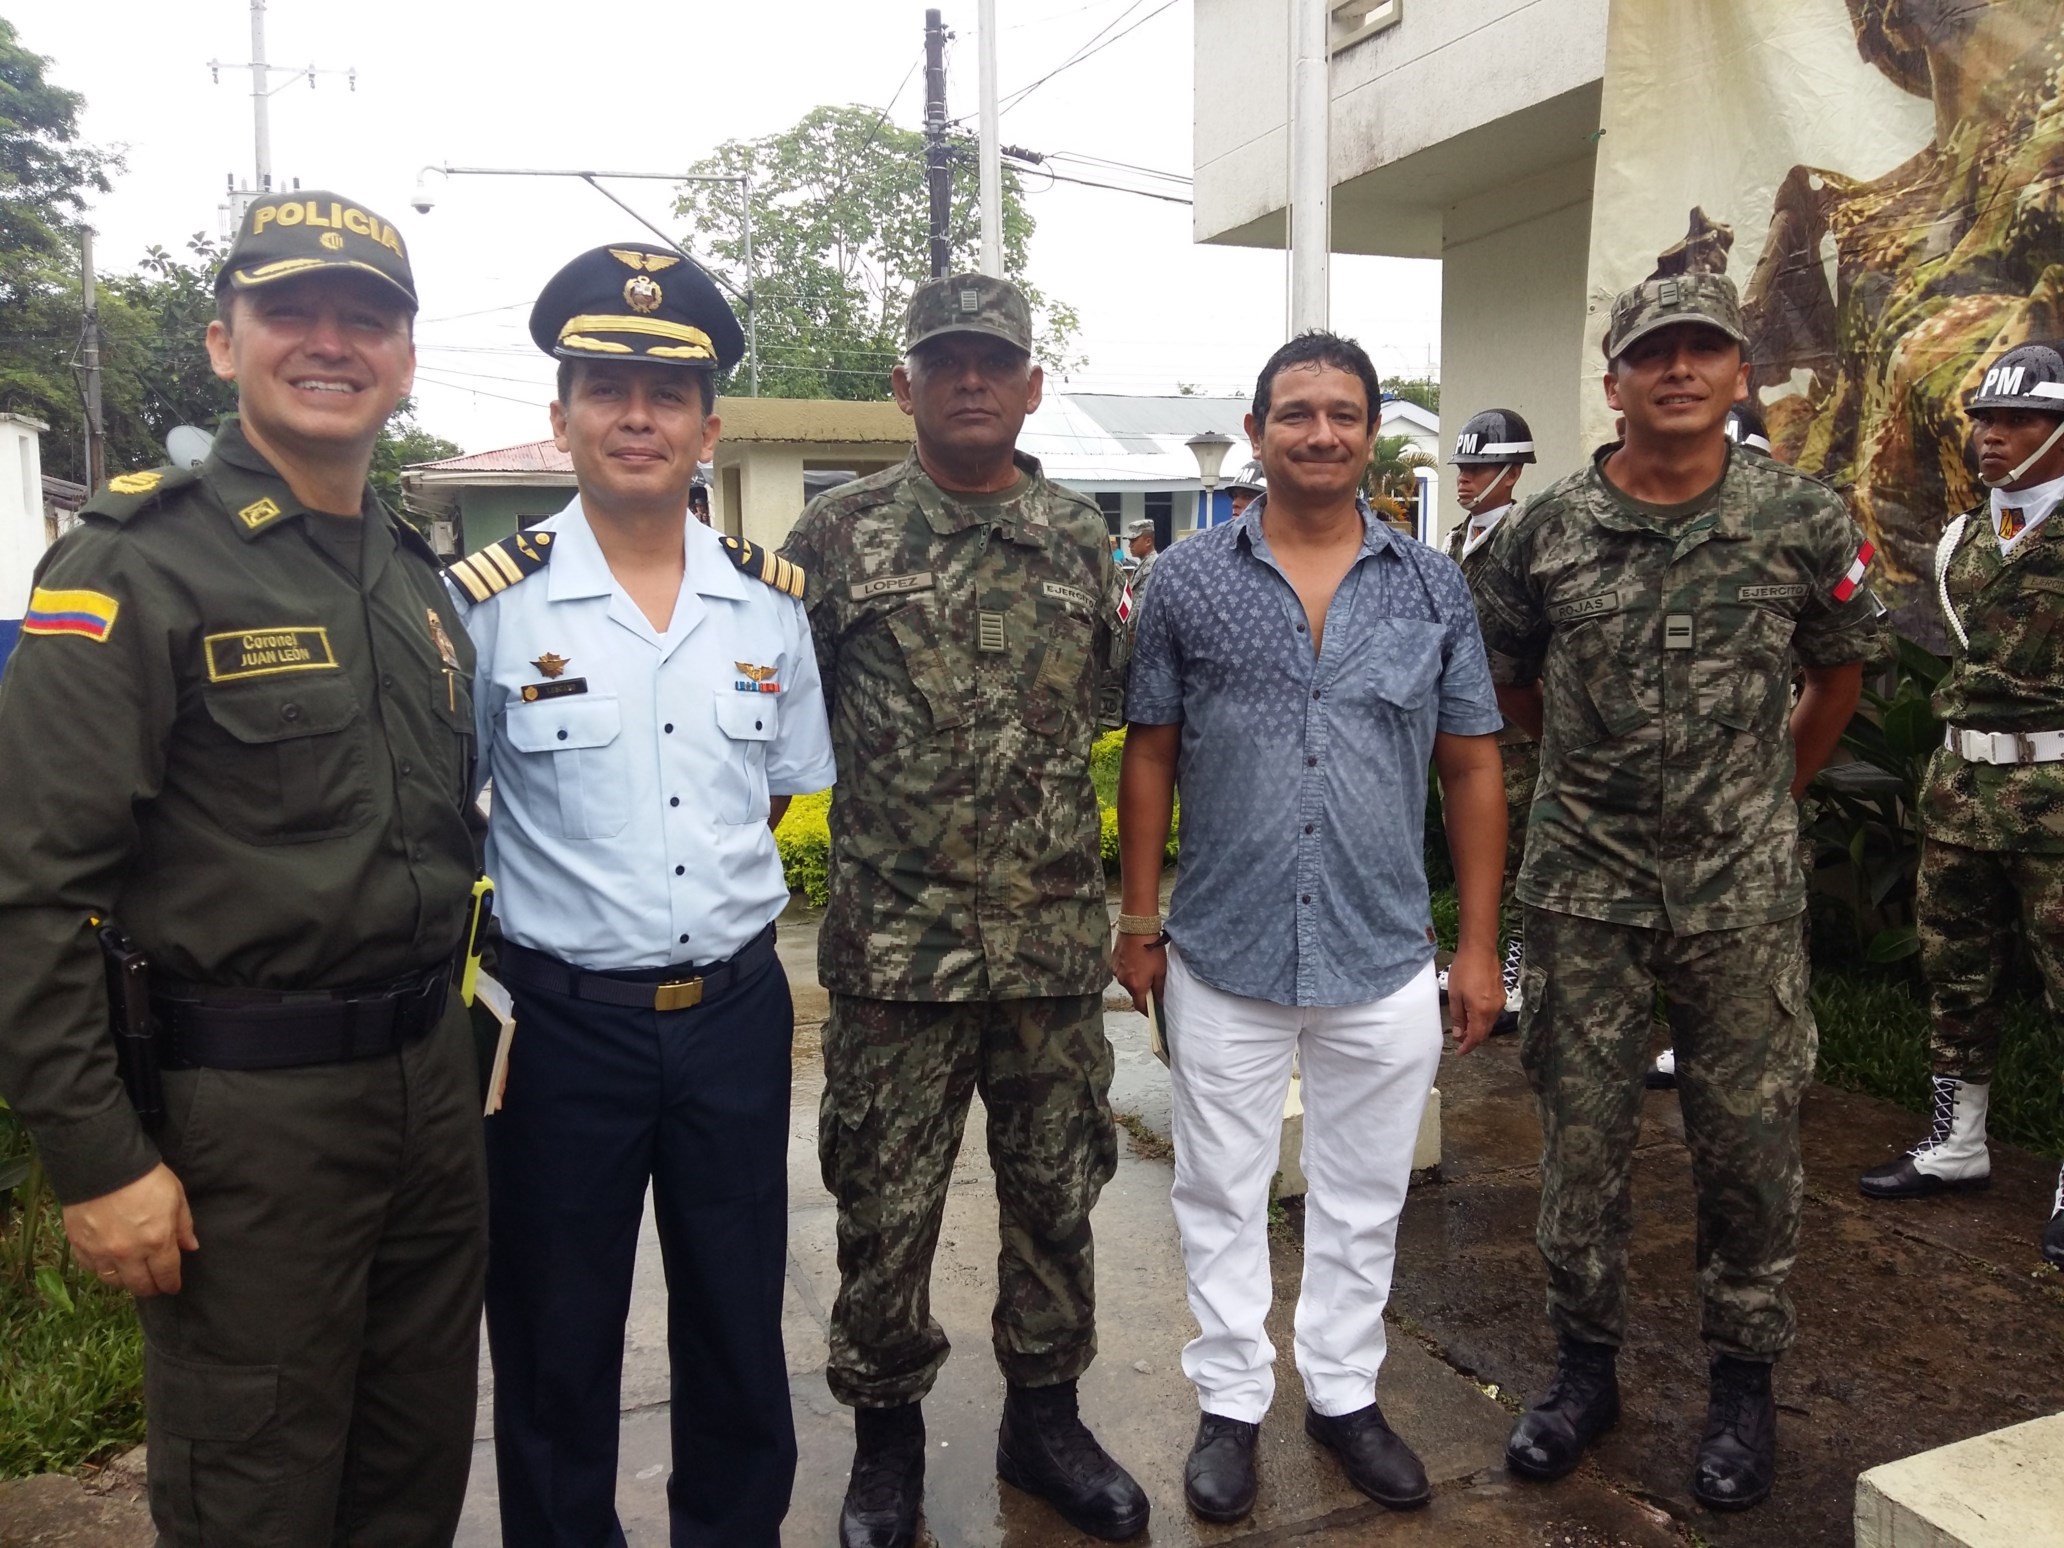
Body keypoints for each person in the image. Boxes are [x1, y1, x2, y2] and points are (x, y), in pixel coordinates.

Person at [0, 191, 487, 1546]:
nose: (330, 342)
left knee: (411, 1477)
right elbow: (31, 890)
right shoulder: (135, 564)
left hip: (427, 1098)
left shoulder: (415, 577)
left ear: (405, 357)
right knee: (255, 1491)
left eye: (365, 318)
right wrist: (97, 1160)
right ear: (224, 342)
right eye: (291, 312)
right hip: (248, 1126)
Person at [447, 243, 835, 1548]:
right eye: (605, 388)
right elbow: (451, 805)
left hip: (732, 1016)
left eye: (667, 394)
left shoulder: (768, 608)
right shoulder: (490, 610)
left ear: (708, 428)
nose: (636, 417)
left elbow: (768, 796)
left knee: (737, 1318)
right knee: (555, 1337)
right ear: (561, 417)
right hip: (560, 1029)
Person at [1472, 273, 1879, 1513]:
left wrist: (1765, 792)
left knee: (1748, 1146)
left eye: (1706, 350)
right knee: (1581, 1145)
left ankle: (1743, 1386)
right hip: (1584, 892)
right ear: (1616, 384)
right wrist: (1594, 784)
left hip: (1738, 898)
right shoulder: (1545, 532)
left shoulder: (1802, 519)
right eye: (1656, 353)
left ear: (1739, 374)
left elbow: (1839, 673)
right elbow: (1510, 686)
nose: (1682, 369)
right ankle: (1582, 1371)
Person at [1111, 332, 1509, 1525]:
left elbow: (1472, 766)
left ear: (1374, 432)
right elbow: (1150, 753)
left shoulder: (1432, 586)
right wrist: (1139, 917)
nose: (1321, 433)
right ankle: (1231, 1402)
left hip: (1380, 954)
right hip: (1223, 951)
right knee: (1220, 1191)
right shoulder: (1188, 581)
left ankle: (1344, 1394)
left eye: (1344, 413)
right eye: (1296, 413)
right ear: (1257, 432)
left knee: (1363, 1193)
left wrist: (1476, 946)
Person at [780, 273, 1147, 1548]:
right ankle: (885, 1442)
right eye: (945, 362)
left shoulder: (1081, 537)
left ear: (1032, 386)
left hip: (1049, 949)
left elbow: (1107, 712)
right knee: (885, 1209)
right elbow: (778, 721)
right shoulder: (837, 539)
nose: (971, 381)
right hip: (899, 956)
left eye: (994, 362)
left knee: (1058, 1194)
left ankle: (1045, 1420)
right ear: (906, 386)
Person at [1858, 338, 2064, 1270]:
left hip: (2055, 795)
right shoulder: (1960, 539)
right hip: (1962, 791)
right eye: (1985, 419)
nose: (1992, 435)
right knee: (1956, 976)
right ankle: (1957, 1142)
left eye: (2018, 420)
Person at [1649, 397, 1787, 1094]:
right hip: (1639, 821)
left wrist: (1781, 785)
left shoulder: (1793, 528)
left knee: (1755, 970)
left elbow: (1839, 672)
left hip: (1748, 812)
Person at [1440, 406, 1540, 1035]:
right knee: (1474, 849)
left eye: (1479, 468)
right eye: (1463, 466)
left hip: (1518, 727)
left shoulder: (1528, 539)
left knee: (1525, 854)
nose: (1465, 477)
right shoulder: (1457, 541)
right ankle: (1477, 956)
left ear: (1513, 472)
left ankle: (1520, 969)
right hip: (1464, 722)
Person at [1124, 516, 1160, 598]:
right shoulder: (1144, 565)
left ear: (1148, 542)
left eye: (1133, 541)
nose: (1130, 545)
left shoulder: (1152, 566)